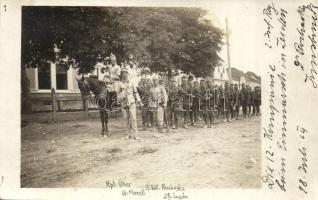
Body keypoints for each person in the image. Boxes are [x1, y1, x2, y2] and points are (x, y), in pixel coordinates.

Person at [118, 67, 143, 140]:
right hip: (124, 103)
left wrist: (139, 101)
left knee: (133, 119)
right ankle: (127, 135)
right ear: (122, 74)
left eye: (126, 73)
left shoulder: (131, 82)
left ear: (127, 74)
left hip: (132, 102)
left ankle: (136, 135)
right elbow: (118, 94)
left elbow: (135, 93)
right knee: (126, 119)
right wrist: (120, 98)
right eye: (123, 73)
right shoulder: (120, 84)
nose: (125, 74)